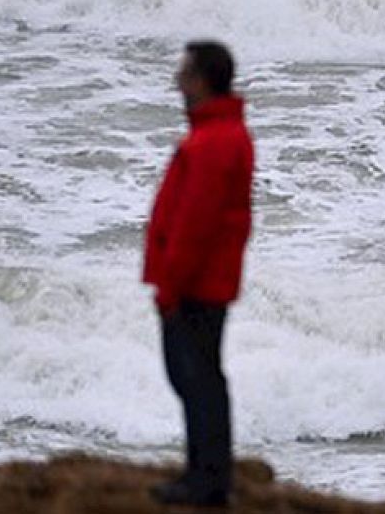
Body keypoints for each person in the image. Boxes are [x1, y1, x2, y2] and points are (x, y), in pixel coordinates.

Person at [143, 40, 255, 507]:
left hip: (196, 283)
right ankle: (205, 476)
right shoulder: (218, 133)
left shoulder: (214, 141)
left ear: (203, 80)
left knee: (197, 380)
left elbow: (195, 226)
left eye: (185, 75)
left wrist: (170, 287)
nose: (178, 84)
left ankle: (206, 483)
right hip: (203, 280)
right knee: (198, 379)